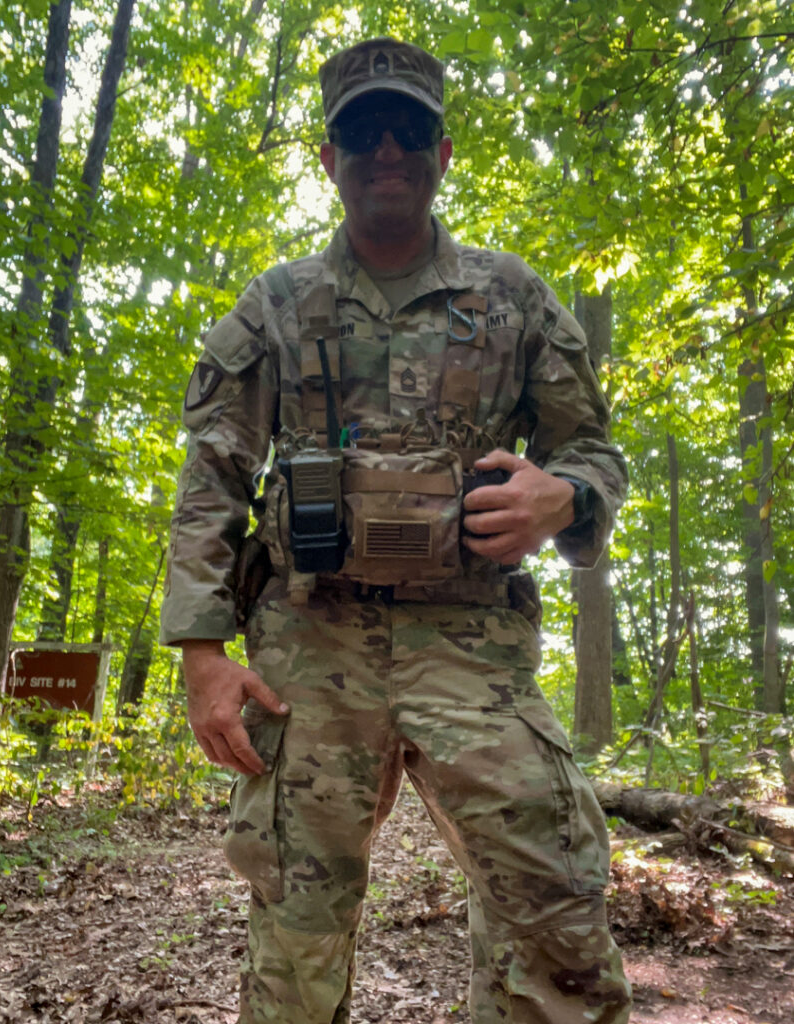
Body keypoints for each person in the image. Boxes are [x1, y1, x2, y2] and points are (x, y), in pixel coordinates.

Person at [160, 36, 632, 1024]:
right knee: (295, 925)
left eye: (408, 130)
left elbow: (593, 453)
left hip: (475, 647)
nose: (386, 151)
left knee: (553, 902)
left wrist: (564, 499)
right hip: (308, 641)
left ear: (442, 152)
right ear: (327, 158)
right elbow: (214, 472)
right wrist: (204, 652)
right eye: (360, 133)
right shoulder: (278, 306)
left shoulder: (514, 300)